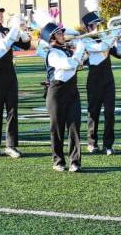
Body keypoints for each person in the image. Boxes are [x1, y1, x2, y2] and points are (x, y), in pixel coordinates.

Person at [0, 0, 31, 158]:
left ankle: (11, 145)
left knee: (12, 109)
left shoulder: (6, 30)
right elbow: (3, 45)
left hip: (10, 72)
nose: (1, 15)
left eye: (1, 12)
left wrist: (24, 31)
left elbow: (25, 45)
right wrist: (15, 29)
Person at [80, 0, 121, 155]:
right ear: (88, 27)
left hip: (108, 79)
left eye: (98, 24)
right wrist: (112, 35)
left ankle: (108, 144)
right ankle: (92, 143)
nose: (97, 27)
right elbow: (100, 47)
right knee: (93, 112)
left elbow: (119, 54)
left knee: (110, 113)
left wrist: (118, 40)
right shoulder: (84, 40)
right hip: (94, 80)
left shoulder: (105, 37)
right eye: (94, 25)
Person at [41, 22, 84, 172]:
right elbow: (68, 65)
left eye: (62, 33)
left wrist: (79, 53)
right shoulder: (52, 53)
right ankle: (58, 161)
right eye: (59, 34)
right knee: (57, 129)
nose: (63, 36)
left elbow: (80, 63)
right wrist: (80, 50)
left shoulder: (67, 50)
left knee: (74, 127)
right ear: (52, 37)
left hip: (72, 91)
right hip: (57, 92)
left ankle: (75, 162)